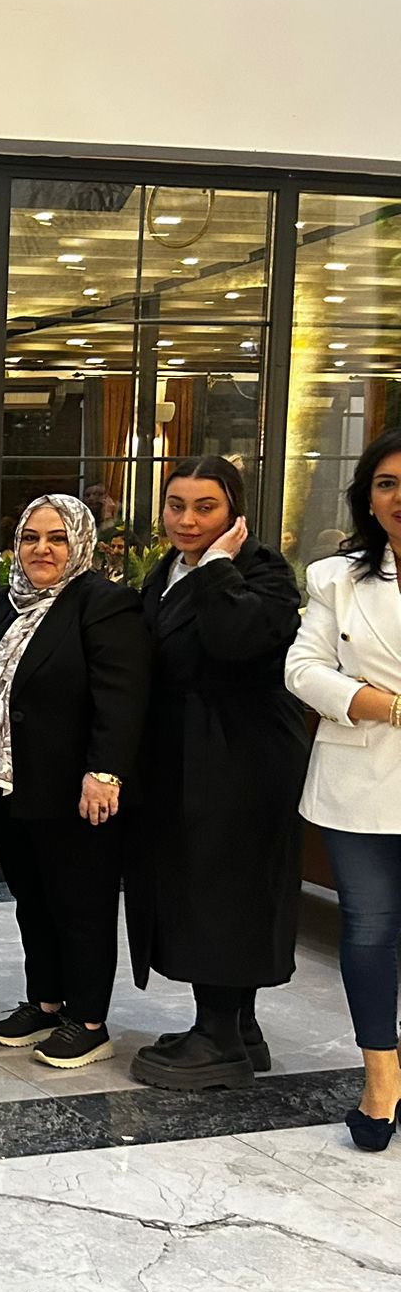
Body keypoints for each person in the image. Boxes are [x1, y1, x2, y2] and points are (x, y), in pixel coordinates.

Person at [126, 457, 308, 1092]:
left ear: (234, 513)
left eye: (205, 507)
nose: (187, 520)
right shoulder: (168, 568)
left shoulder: (263, 571)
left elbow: (234, 639)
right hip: (189, 753)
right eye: (176, 505)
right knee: (204, 885)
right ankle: (237, 1027)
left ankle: (218, 1039)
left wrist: (219, 567)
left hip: (242, 758)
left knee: (225, 890)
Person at [0, 494, 151, 1070]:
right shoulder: (3, 603)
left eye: (57, 538)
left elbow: (122, 697)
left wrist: (105, 772)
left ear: (81, 544)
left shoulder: (103, 603)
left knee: (81, 904)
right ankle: (45, 1002)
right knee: (33, 900)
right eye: (30, 537)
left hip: (77, 789)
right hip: (9, 783)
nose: (42, 549)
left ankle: (88, 1021)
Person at [285, 427, 401, 1150]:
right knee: (369, 929)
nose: (399, 498)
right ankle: (381, 1078)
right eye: (387, 484)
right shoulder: (336, 577)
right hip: (359, 778)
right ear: (368, 496)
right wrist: (382, 704)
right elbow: (303, 669)